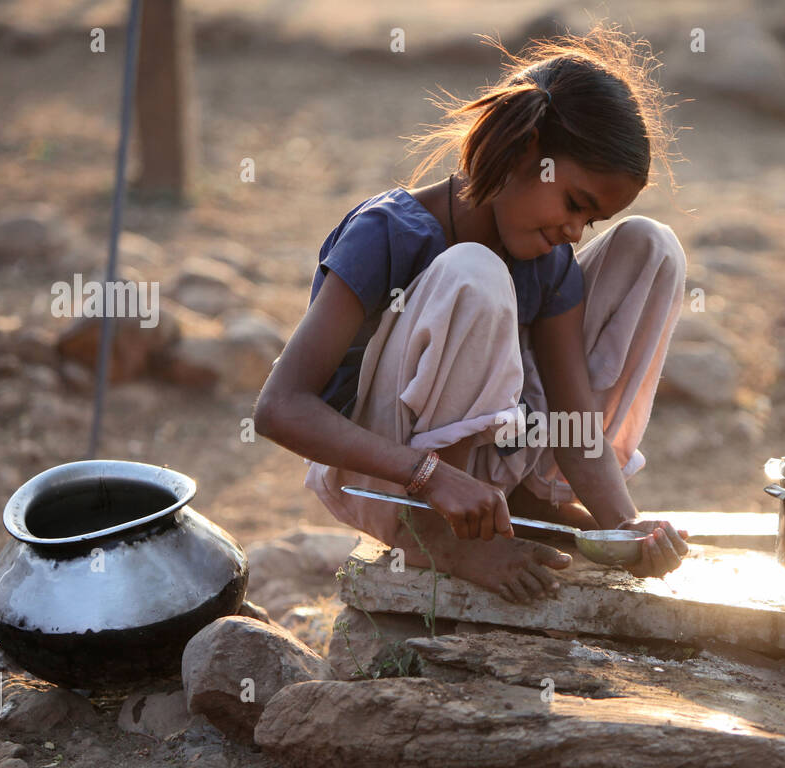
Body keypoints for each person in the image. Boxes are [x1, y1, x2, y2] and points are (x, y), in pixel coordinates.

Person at [255, 23, 691, 605]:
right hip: (390, 477)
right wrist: (427, 476)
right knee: (474, 272)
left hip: (487, 469)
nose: (573, 230)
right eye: (573, 203)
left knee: (651, 247)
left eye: (589, 222)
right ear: (523, 152)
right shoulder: (387, 233)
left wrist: (623, 523)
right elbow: (279, 409)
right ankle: (440, 536)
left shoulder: (549, 258)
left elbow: (573, 416)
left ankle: (528, 501)